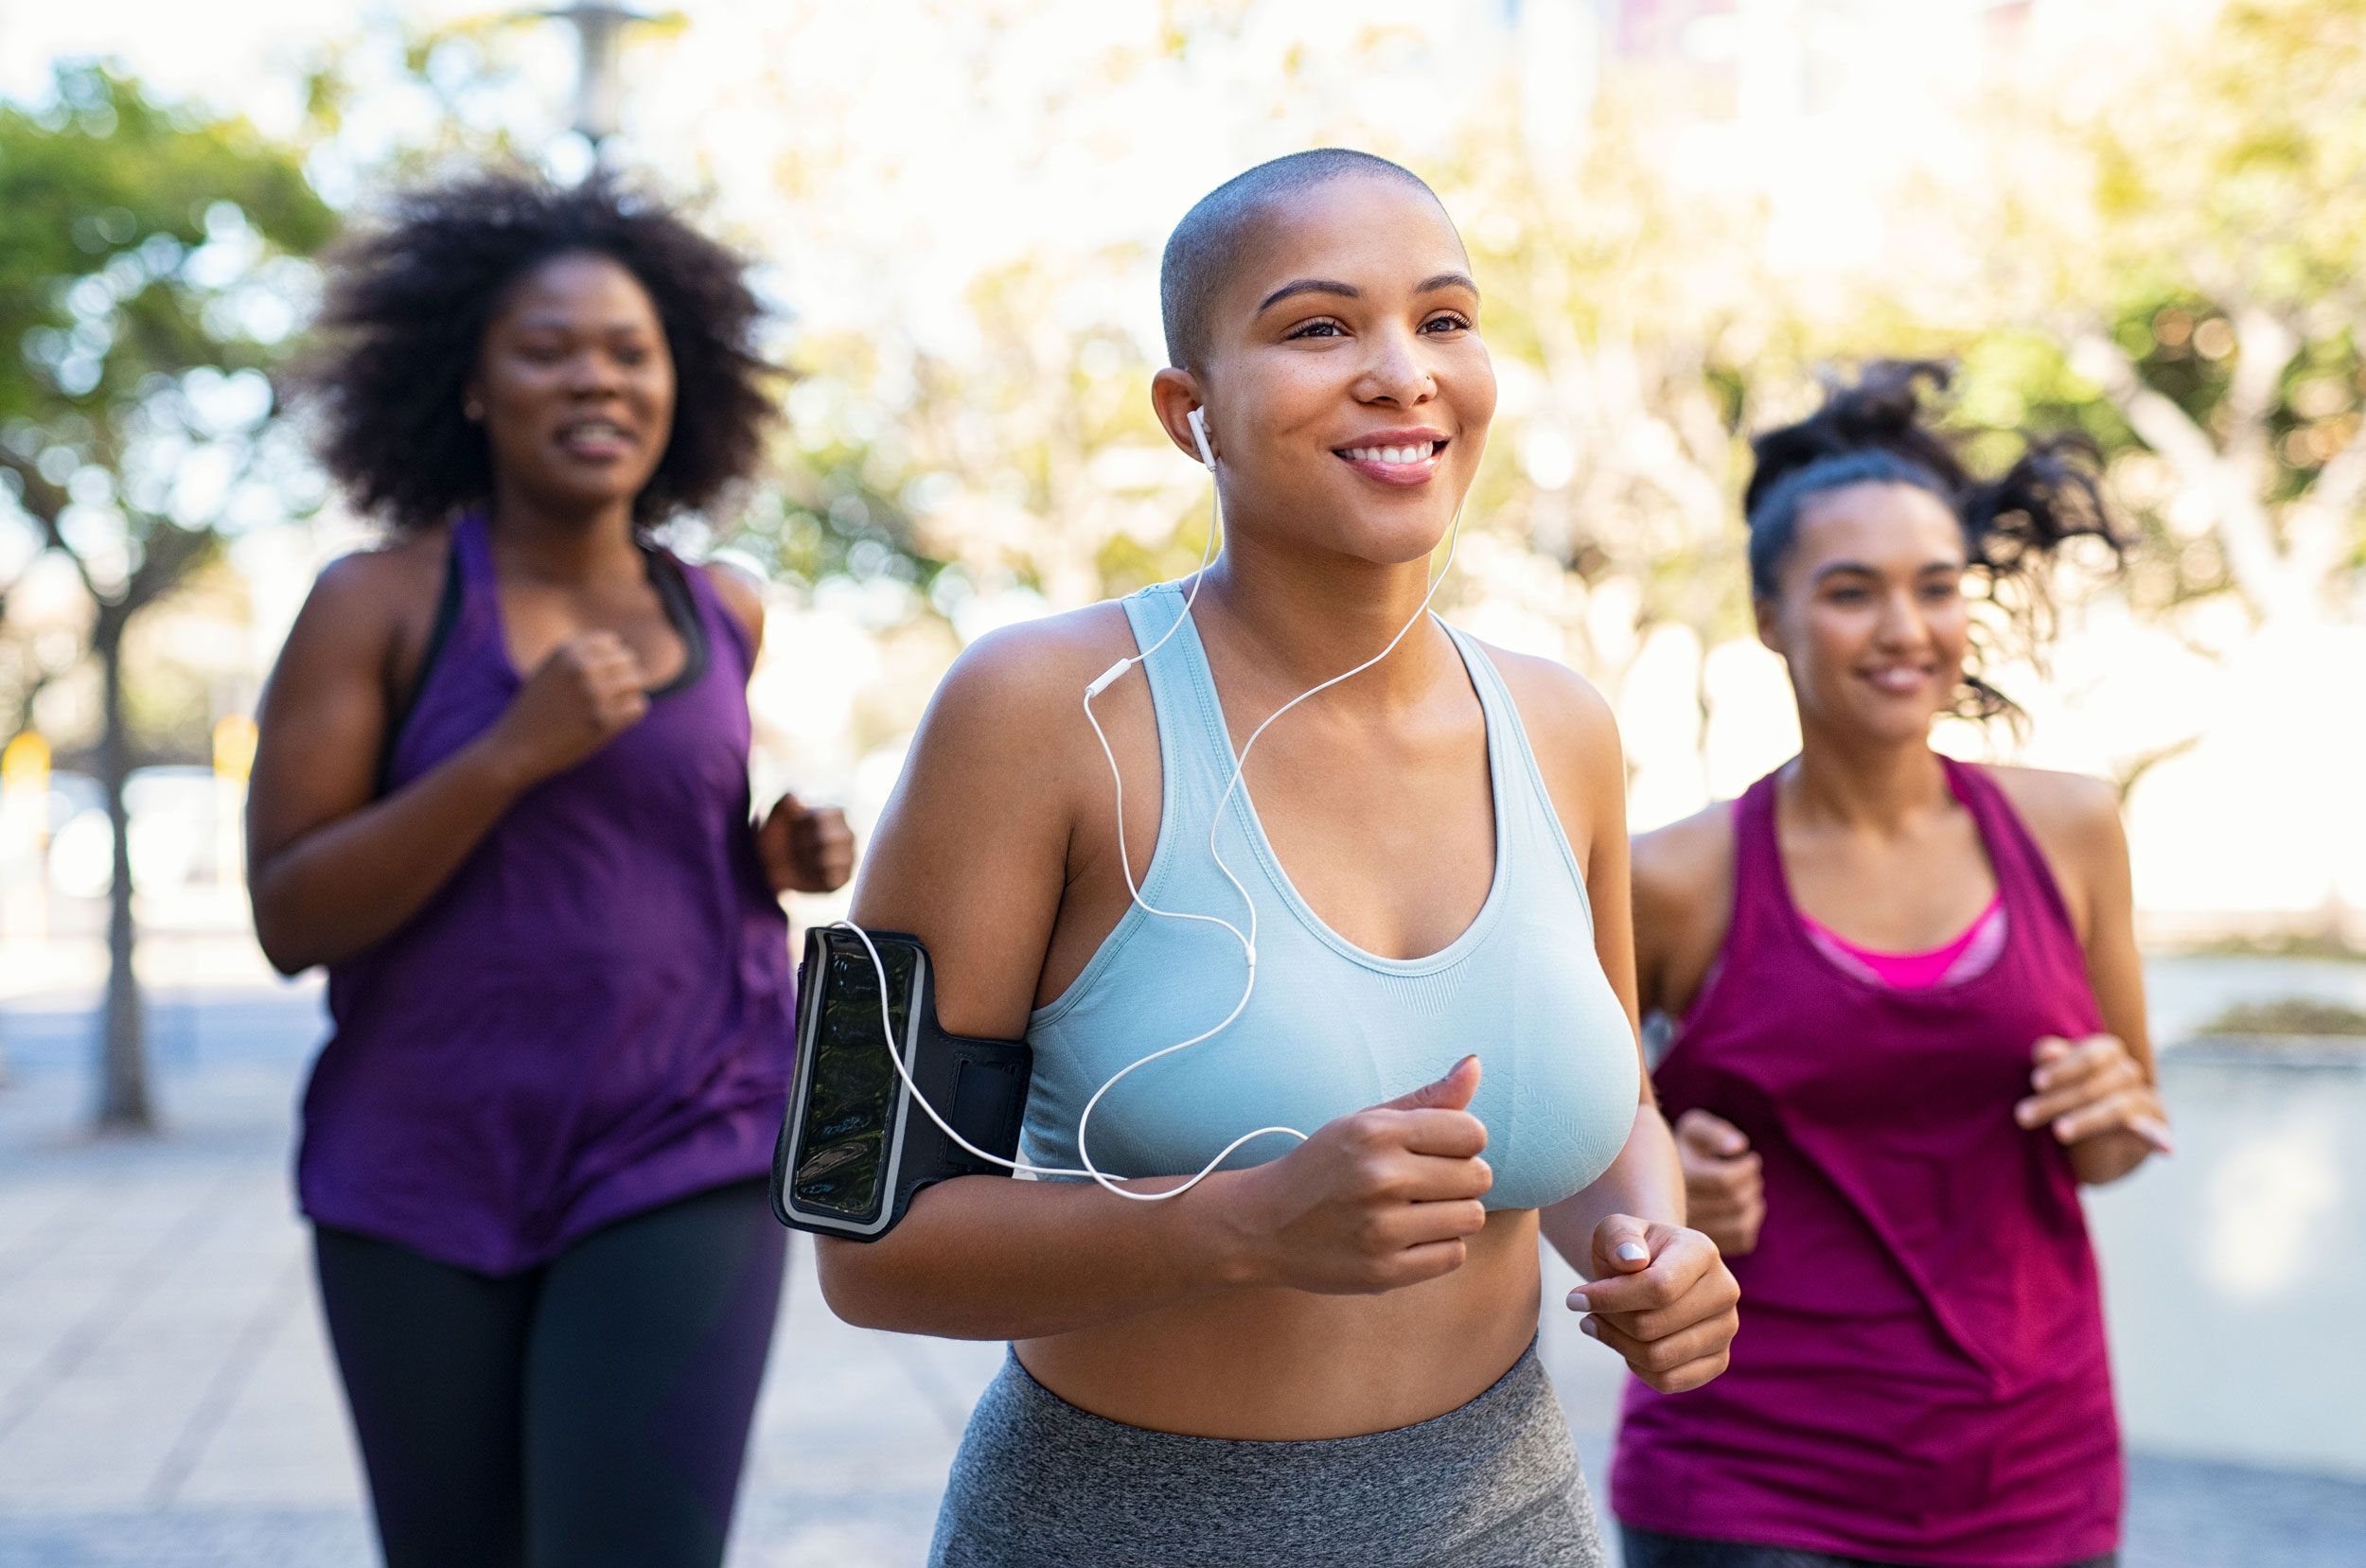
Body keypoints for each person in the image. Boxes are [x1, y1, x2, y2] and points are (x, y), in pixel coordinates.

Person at [818, 149, 1739, 1568]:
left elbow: (1604, 1090)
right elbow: (861, 1239)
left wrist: (1650, 1241)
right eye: (1319, 327)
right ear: (1192, 414)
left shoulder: (1565, 727)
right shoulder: (1027, 713)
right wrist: (1242, 1226)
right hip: (1119, 1531)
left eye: (1444, 320)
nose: (1402, 372)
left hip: (1513, 1522)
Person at [246, 171, 852, 1568]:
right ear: (470, 385)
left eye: (630, 351)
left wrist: (772, 853)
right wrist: (508, 752)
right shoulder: (377, 606)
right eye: (548, 348)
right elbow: (290, 916)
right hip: (422, 1158)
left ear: (680, 384)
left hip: (684, 1136)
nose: (597, 379)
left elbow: (656, 845)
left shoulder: (722, 608)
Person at [1610, 361, 2169, 1568]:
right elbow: (1587, 1166)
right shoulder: (1673, 878)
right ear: (1771, 617)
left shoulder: (2069, 828)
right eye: (1852, 592)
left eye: (1934, 588)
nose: (1906, 630)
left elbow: (2120, 1145)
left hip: (2036, 1470)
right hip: (1752, 1487)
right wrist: (1661, 1193)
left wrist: (2108, 1107)